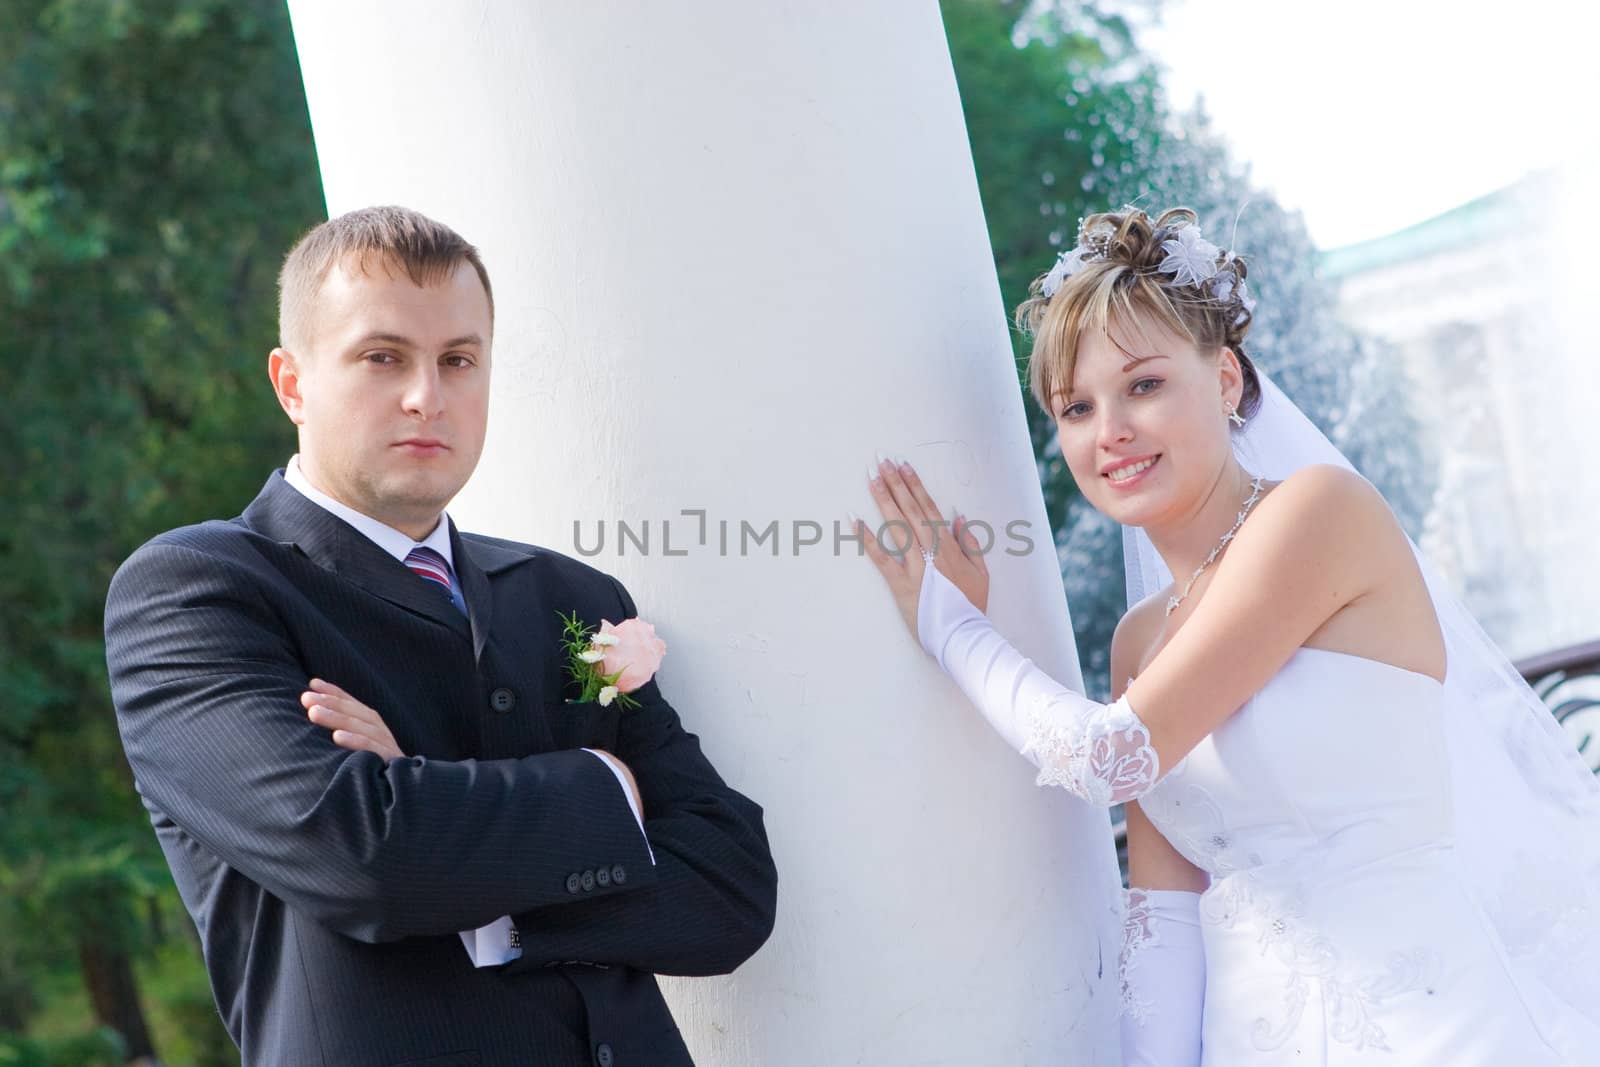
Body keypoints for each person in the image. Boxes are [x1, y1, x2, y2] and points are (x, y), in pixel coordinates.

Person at [859, 206, 1600, 1064]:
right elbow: (1164, 922)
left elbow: (1108, 757)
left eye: (1144, 385)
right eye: (1075, 407)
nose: (1111, 433)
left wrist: (953, 627)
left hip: (1438, 1030)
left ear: (1224, 379)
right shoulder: (1139, 643)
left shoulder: (1319, 512)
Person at [103, 205, 778, 1066]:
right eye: (382, 357)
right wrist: (607, 785)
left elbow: (730, 889)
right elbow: (366, 858)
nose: (428, 394)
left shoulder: (570, 594)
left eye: (458, 360)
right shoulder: (198, 591)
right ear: (292, 383)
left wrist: (445, 835)